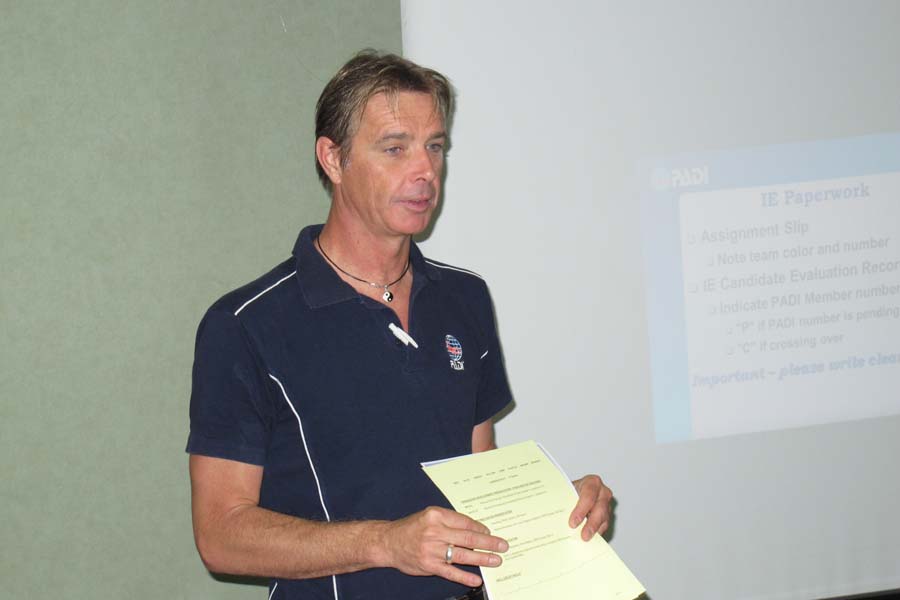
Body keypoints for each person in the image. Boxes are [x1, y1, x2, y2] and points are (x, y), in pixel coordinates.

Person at [186, 50, 612, 600]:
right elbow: (220, 536)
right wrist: (386, 543)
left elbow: (481, 487)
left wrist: (556, 513)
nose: (425, 172)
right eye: (395, 148)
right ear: (333, 159)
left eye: (435, 147)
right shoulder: (245, 326)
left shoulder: (464, 298)